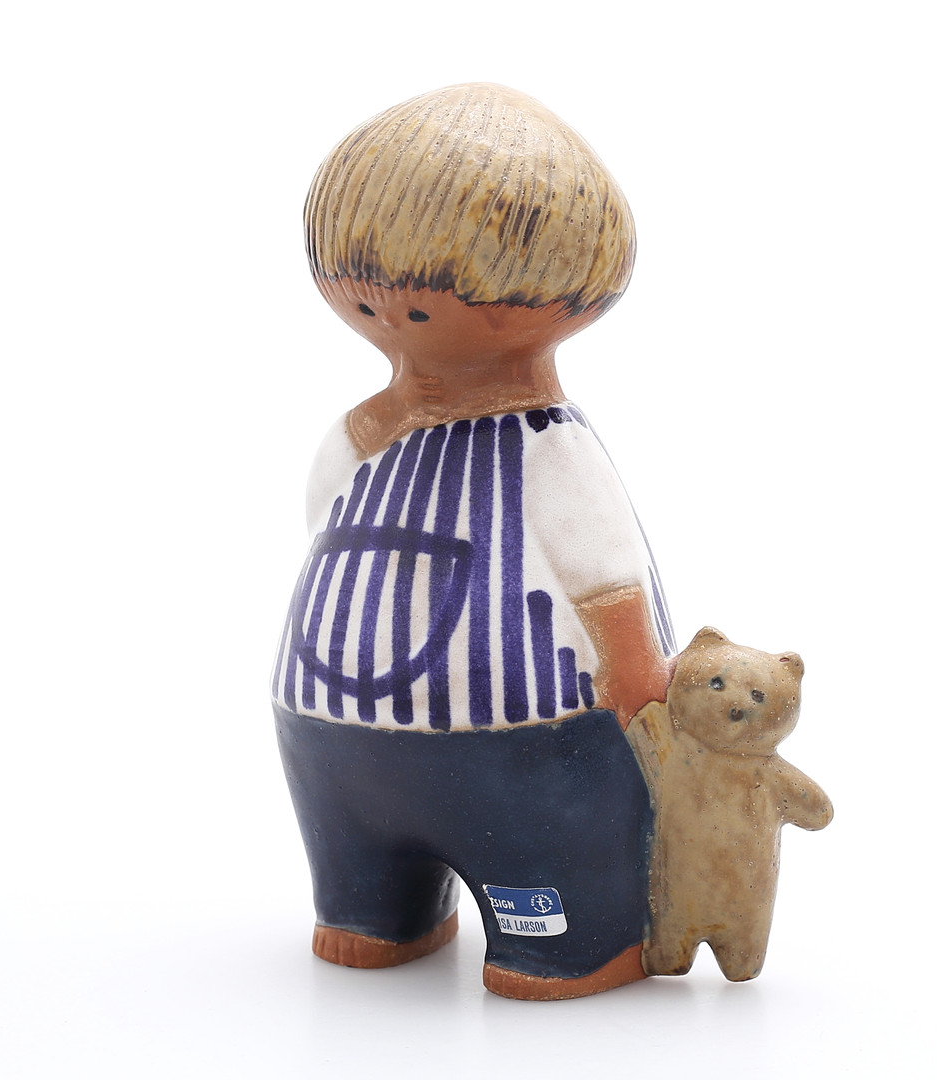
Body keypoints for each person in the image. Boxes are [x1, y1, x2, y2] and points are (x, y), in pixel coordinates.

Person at [272, 83, 674, 1000]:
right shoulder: (371, 426)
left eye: (420, 307)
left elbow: (605, 568)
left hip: (526, 738)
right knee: (361, 904)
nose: (391, 316)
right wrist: (383, 419)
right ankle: (372, 912)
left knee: (549, 900)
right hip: (331, 733)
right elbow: (322, 511)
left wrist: (635, 671)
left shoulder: (549, 447)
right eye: (364, 297)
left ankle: (567, 943)